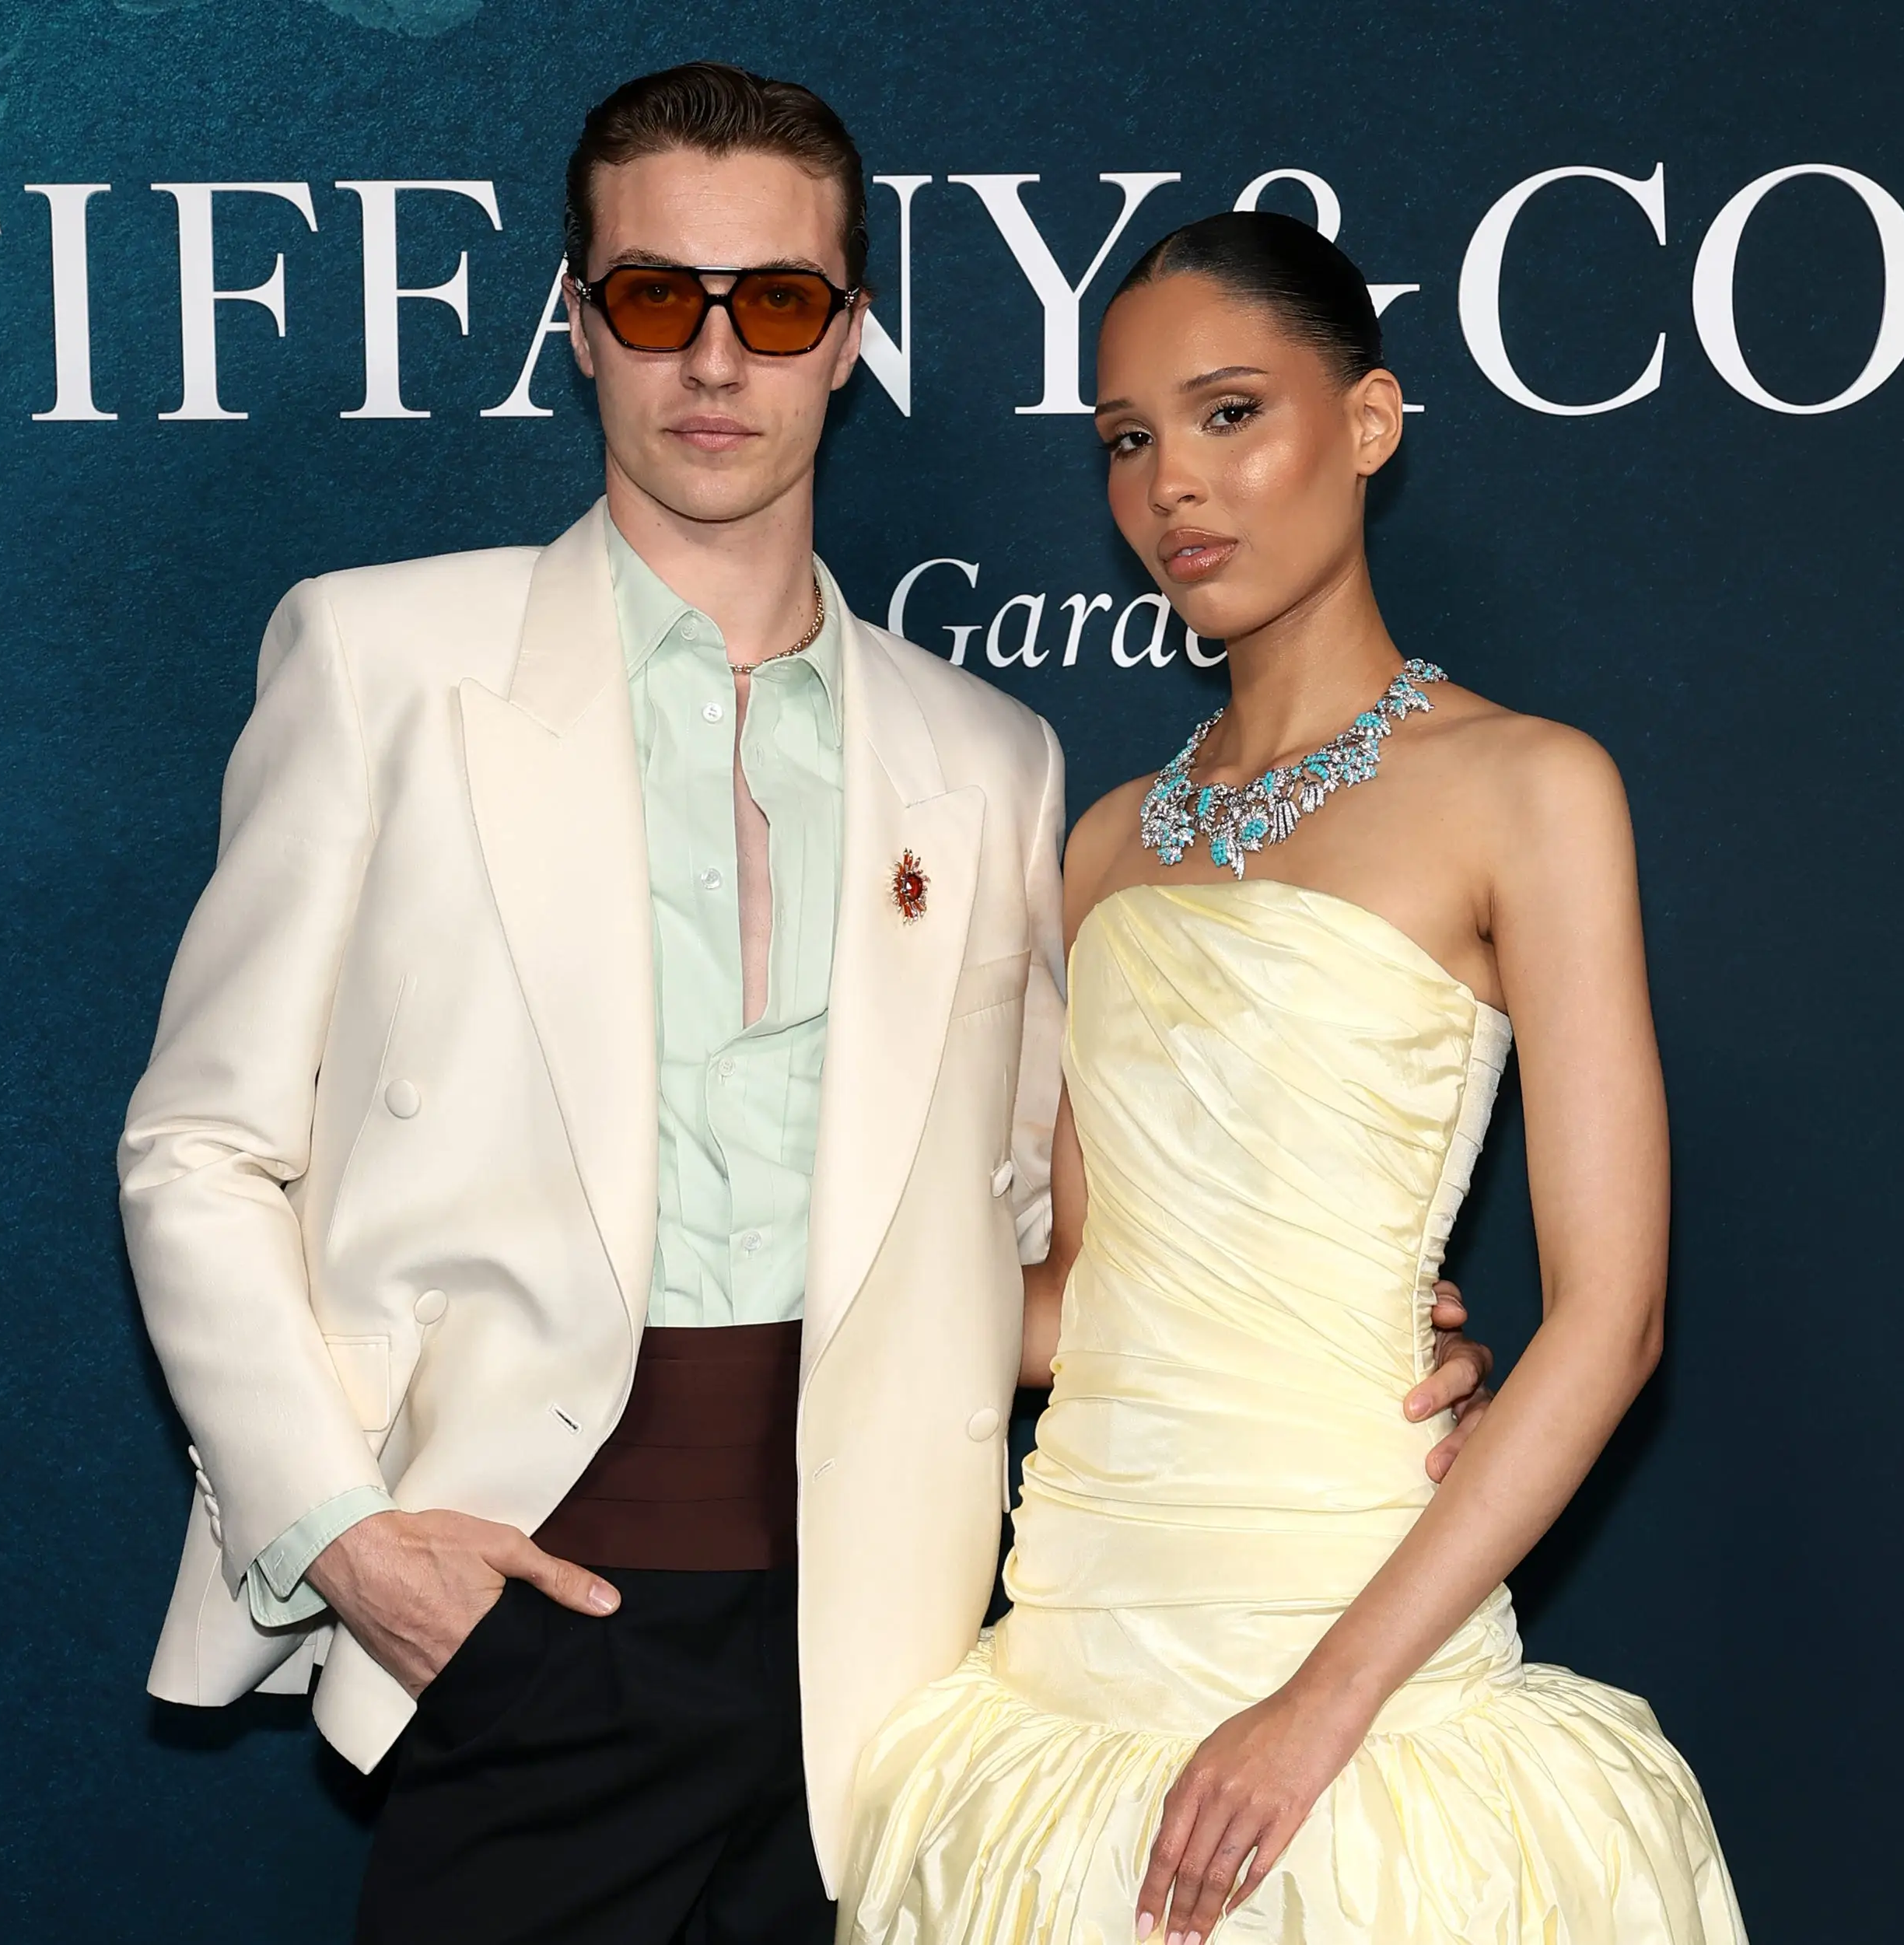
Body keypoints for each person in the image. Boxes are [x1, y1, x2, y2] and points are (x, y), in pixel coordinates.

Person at [118, 71, 1503, 1945]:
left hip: (890, 1669)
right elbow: (200, 1141)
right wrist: (343, 1537)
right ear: (574, 319)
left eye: (771, 302)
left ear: (844, 337)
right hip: (521, 1615)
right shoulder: (382, 659)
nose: (712, 357)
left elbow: (1025, 1223)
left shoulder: (992, 757)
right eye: (651, 296)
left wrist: (1328, 1314)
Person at [840, 211, 1748, 1945]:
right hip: (1060, 1662)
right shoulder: (1102, 842)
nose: (1171, 482)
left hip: (1347, 1658)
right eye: (1126, 437)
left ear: (1370, 422)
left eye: (1230, 412)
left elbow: (1613, 1316)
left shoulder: (1527, 786)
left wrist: (1316, 1708)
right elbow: (1074, 1297)